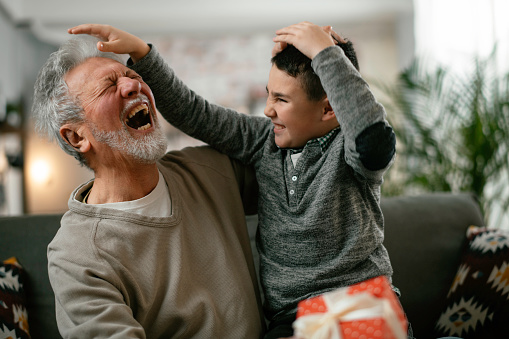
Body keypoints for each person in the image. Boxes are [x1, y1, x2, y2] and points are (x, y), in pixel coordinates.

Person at [68, 22, 398, 339]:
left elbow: (374, 137)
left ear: (329, 109)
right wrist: (142, 54)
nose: (268, 109)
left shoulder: (353, 152)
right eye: (269, 95)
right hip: (291, 318)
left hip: (359, 300)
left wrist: (326, 53)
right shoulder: (262, 140)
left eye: (281, 100)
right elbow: (194, 113)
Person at [32, 33, 266, 338]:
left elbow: (287, 155)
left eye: (132, 75)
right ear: (77, 137)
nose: (133, 85)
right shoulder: (76, 256)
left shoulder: (211, 169)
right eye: (108, 86)